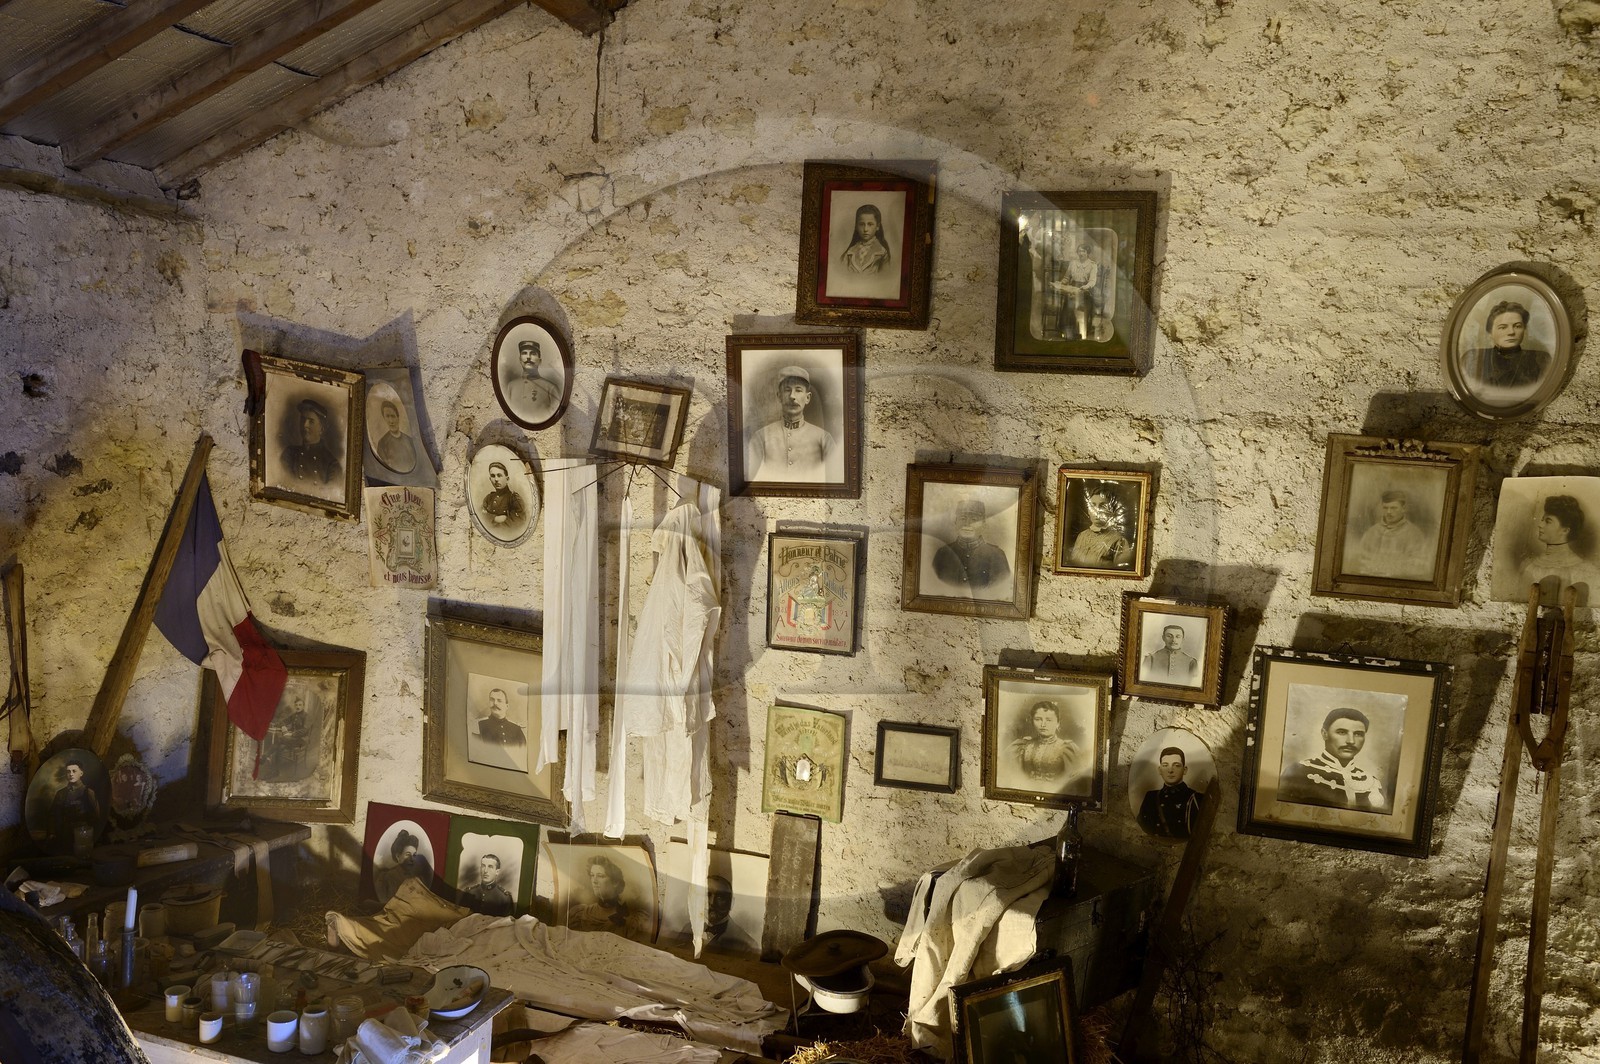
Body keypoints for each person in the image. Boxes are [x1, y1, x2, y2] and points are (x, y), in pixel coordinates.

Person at [1278, 707, 1389, 811]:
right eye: (1342, 732)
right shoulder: (1297, 773)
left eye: (1358, 734)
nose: (1351, 741)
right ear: (1324, 734)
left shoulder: (1373, 783)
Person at [745, 365, 835, 482]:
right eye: (787, 390)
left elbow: (835, 481)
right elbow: (749, 482)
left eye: (798, 390)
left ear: (807, 398)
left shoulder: (824, 438)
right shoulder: (761, 436)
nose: (792, 396)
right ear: (779, 396)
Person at [1462, 300, 1550, 393]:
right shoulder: (1473, 358)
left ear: (1524, 329)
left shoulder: (1541, 360)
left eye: (1517, 326)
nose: (1511, 332)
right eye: (1503, 327)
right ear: (1490, 332)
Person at [1518, 494, 1599, 594]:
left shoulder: (1586, 572)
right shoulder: (1529, 567)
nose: (1540, 525)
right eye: (1542, 520)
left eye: (1548, 521)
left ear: (1565, 530)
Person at [932, 497, 1011, 589]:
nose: (967, 524)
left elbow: (1000, 591)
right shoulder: (942, 553)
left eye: (974, 520)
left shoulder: (997, 555)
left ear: (983, 525)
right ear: (956, 522)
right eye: (963, 518)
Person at [566, 855, 651, 941]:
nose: (594, 881)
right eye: (592, 875)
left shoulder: (633, 919)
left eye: (600, 876)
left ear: (615, 882)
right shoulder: (579, 914)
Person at [1353, 489, 1432, 579]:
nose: (1389, 512)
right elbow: (1360, 561)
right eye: (1385, 508)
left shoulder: (1414, 534)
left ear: (1403, 509)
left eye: (1393, 508)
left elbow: (1420, 567)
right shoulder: (1371, 532)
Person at [1137, 746, 1203, 839]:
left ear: (1185, 770)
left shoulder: (1196, 799)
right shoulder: (1150, 797)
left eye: (1176, 765)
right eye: (1165, 765)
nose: (1170, 770)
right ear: (1160, 770)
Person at [1009, 700, 1079, 783]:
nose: (1043, 724)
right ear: (1032, 721)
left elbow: (1072, 781)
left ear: (1058, 723)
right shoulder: (1024, 745)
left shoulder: (1066, 747)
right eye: (1038, 719)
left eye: (1049, 720)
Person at [1068, 488, 1134, 569]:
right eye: (1093, 505)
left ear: (1111, 510)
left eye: (1102, 506)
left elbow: (1120, 573)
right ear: (1088, 510)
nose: (1096, 510)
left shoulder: (1119, 541)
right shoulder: (1081, 536)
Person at [281, 398, 340, 484]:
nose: (305, 425)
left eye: (311, 421)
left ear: (321, 429)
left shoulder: (331, 464)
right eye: (303, 419)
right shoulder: (289, 454)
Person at [1050, 241, 1099, 340]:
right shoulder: (1073, 263)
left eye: (1083, 251)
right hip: (1072, 289)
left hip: (1085, 291)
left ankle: (1078, 332)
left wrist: (1085, 287)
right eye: (1079, 251)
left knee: (1078, 304)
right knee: (1069, 304)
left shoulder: (1092, 265)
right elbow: (1067, 278)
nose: (1081, 253)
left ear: (1087, 253)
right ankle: (1067, 331)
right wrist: (1061, 282)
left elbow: (1092, 281)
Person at [49, 759, 100, 850]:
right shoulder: (60, 793)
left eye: (74, 771)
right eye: (68, 771)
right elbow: (53, 815)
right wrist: (52, 833)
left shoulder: (88, 792)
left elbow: (96, 816)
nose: (71, 774)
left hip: (82, 835)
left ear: (81, 773)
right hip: (64, 835)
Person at [505, 338, 561, 420]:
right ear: (520, 360)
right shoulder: (511, 387)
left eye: (533, 353)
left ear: (540, 361)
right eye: (524, 353)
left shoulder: (551, 388)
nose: (528, 357)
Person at [373, 828, 433, 903]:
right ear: (398, 856)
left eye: (414, 855)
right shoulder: (387, 877)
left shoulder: (418, 878)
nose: (412, 859)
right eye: (407, 854)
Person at [703, 874, 757, 954]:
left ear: (731, 903)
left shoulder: (748, 946)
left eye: (720, 898)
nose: (711, 903)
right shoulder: (688, 928)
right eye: (707, 895)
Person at [838, 204, 891, 275]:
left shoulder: (882, 253)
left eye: (870, 224)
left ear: (877, 226)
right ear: (856, 226)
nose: (865, 229)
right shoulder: (849, 253)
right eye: (862, 224)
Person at [372, 399, 417, 474]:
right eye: (387, 416)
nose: (391, 421)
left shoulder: (409, 440)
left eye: (393, 416)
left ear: (398, 417)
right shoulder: (382, 444)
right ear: (384, 418)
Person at [480, 461, 525, 531]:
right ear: (490, 479)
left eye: (499, 475)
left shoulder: (514, 498)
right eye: (493, 476)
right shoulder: (488, 498)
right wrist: (495, 519)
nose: (496, 479)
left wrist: (492, 525)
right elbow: (480, 517)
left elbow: (518, 523)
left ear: (507, 479)